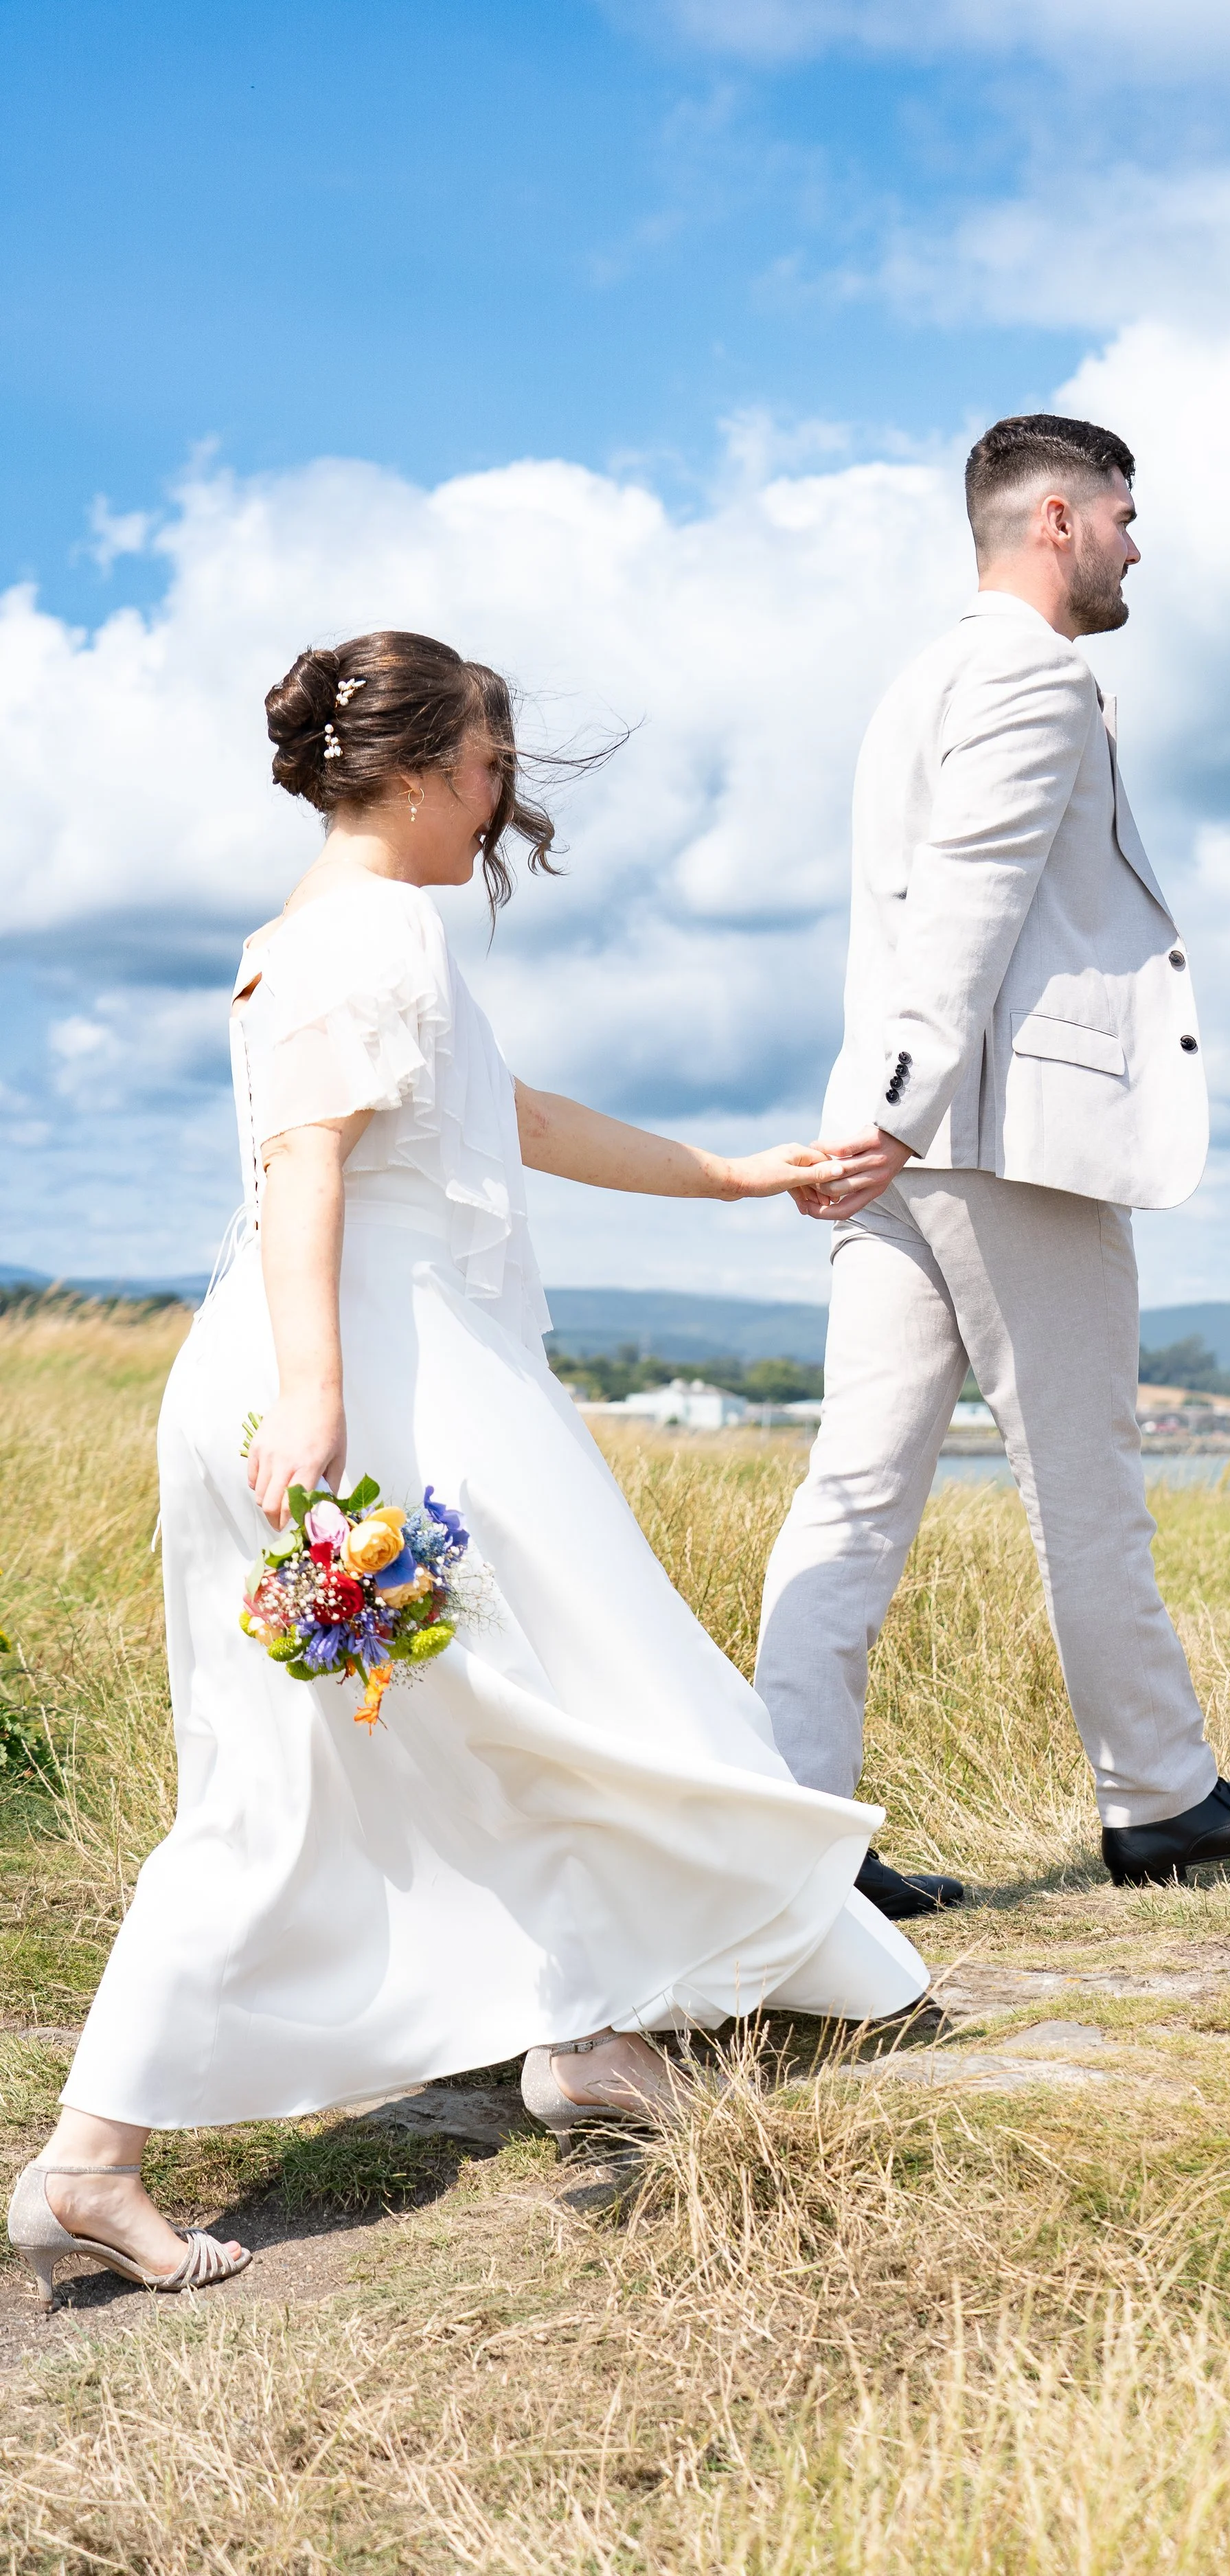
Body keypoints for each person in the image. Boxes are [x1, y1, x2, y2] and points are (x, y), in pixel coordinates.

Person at [8, 630, 926, 2312]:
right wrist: (315, 1403)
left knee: (509, 1704)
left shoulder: (343, 937)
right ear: (427, 765)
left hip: (371, 1370)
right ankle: (97, 2158)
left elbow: (521, 1121)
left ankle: (585, 2029)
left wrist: (739, 1175)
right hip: (367, 1385)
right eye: (493, 767)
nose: (502, 805)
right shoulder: (362, 935)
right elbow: (306, 1171)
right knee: (391, 1745)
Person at [759, 415, 1230, 1918]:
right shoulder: (1030, 673)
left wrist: (875, 1120)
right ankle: (1158, 1801)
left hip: (894, 1138)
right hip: (989, 1139)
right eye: (1128, 518)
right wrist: (900, 1102)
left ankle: (790, 1841)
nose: (1141, 545)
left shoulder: (919, 680)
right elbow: (964, 908)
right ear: (1058, 521)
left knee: (850, 1496)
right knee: (1083, 1485)